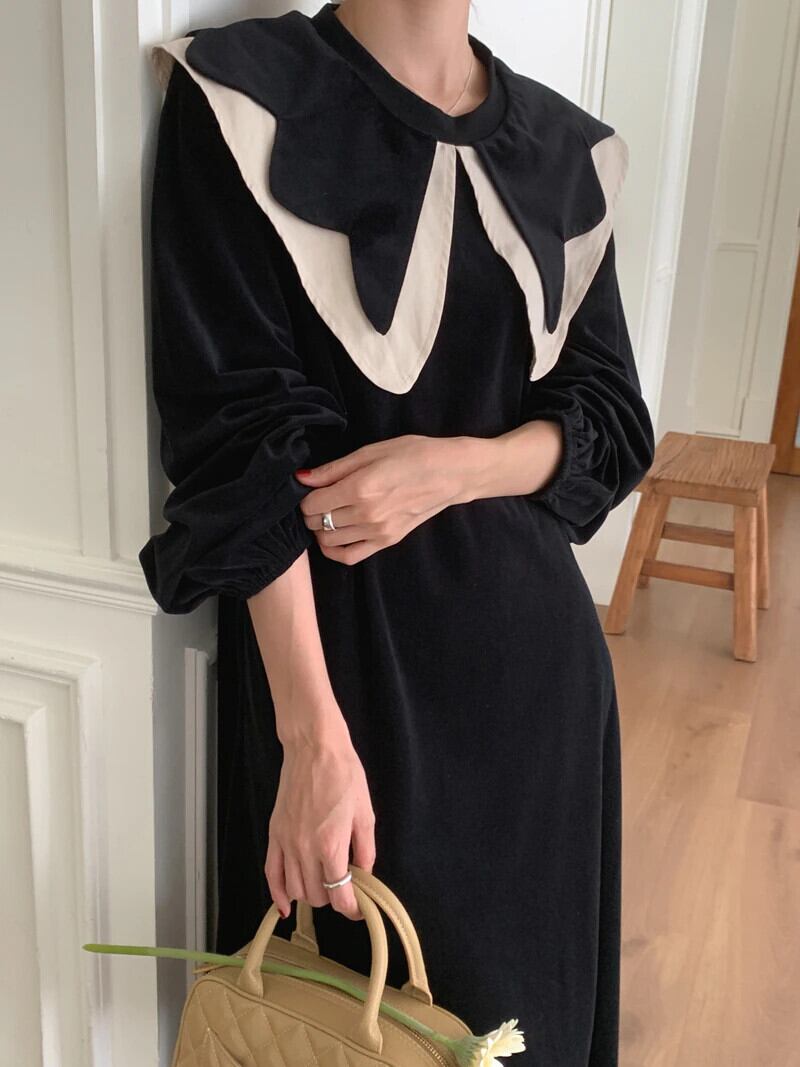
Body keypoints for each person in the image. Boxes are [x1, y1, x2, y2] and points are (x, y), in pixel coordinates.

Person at [140, 2, 654, 1062]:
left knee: (523, 1030)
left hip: (539, 698)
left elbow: (608, 419)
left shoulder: (565, 151)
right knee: (350, 1029)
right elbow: (235, 440)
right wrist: (310, 739)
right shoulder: (243, 93)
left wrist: (450, 468)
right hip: (352, 688)